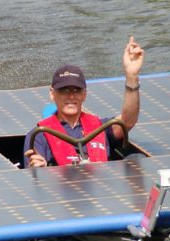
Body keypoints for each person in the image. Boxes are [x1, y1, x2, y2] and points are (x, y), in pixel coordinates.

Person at [24, 35, 145, 168]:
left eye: (76, 90)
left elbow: (128, 120)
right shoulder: (38, 135)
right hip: (62, 187)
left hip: (102, 185)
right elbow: (34, 172)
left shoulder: (100, 127)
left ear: (84, 95)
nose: (71, 96)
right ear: (52, 94)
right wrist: (40, 168)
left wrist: (132, 76)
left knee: (136, 158)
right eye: (64, 90)